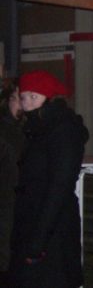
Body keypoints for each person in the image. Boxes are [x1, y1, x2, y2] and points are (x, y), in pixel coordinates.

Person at [9, 70, 88, 288]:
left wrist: (38, 241)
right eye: (24, 97)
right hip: (33, 224)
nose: (28, 104)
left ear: (50, 98)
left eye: (34, 97)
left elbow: (59, 188)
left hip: (53, 230)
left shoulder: (63, 130)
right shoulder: (35, 128)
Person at [0, 79, 24, 286]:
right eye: (15, 98)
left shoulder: (31, 127)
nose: (20, 104)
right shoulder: (4, 129)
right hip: (7, 199)